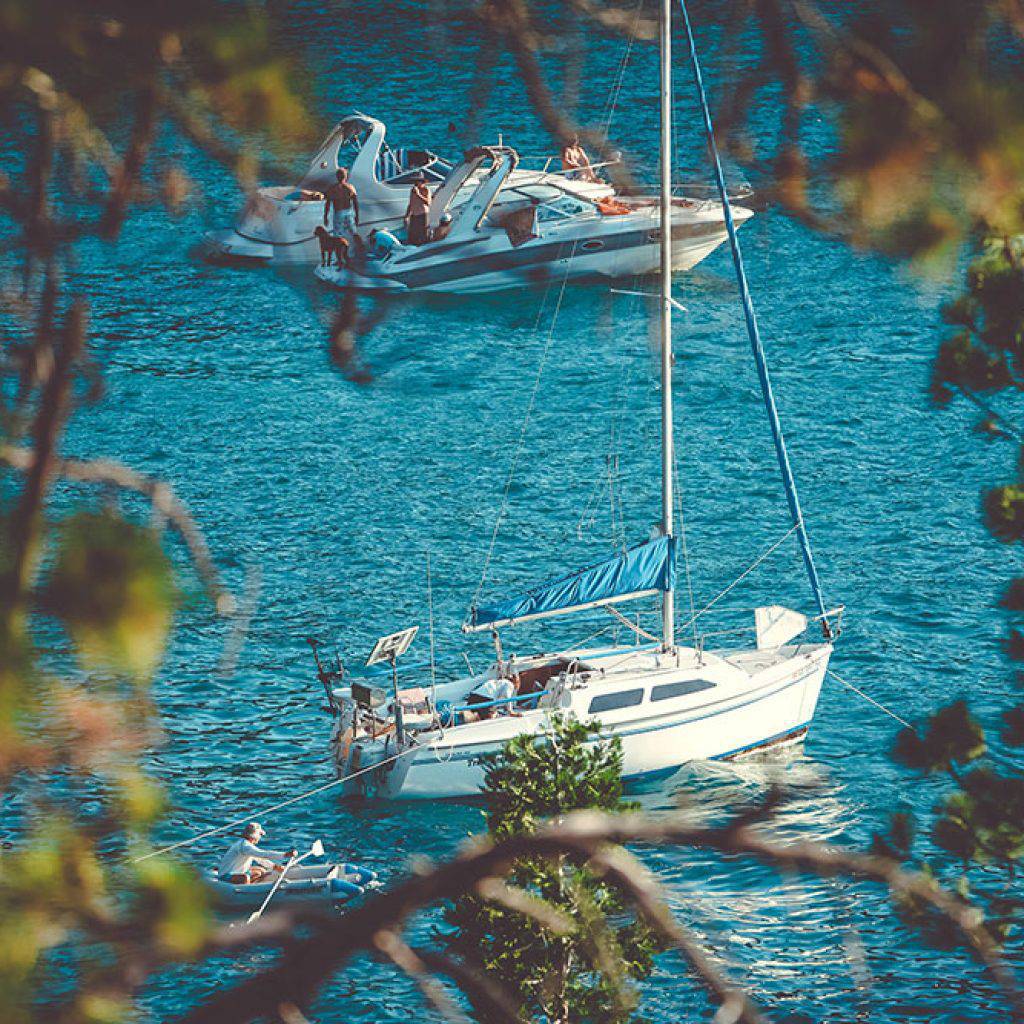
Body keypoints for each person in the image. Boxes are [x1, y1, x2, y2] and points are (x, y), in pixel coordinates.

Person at [218, 823, 296, 884]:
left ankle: (252, 886)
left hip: (238, 871)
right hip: (226, 875)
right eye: (260, 835)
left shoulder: (247, 846)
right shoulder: (245, 846)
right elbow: (264, 854)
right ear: (254, 836)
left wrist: (275, 867)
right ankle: (246, 892)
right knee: (245, 878)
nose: (260, 837)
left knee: (261, 871)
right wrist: (285, 855)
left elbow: (260, 859)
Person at [323, 168, 359, 243]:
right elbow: (355, 203)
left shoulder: (332, 189)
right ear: (346, 177)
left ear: (337, 177)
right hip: (349, 212)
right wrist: (357, 216)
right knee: (354, 233)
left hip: (339, 213)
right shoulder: (350, 188)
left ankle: (340, 253)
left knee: (338, 237)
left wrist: (325, 217)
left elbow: (328, 204)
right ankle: (360, 246)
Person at [404, 175, 431, 245]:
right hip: (414, 215)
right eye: (415, 182)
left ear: (422, 182)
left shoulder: (426, 190)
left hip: (422, 215)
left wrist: (418, 194)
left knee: (423, 234)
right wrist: (406, 216)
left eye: (417, 182)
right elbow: (410, 203)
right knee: (412, 235)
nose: (415, 183)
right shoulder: (412, 190)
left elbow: (428, 202)